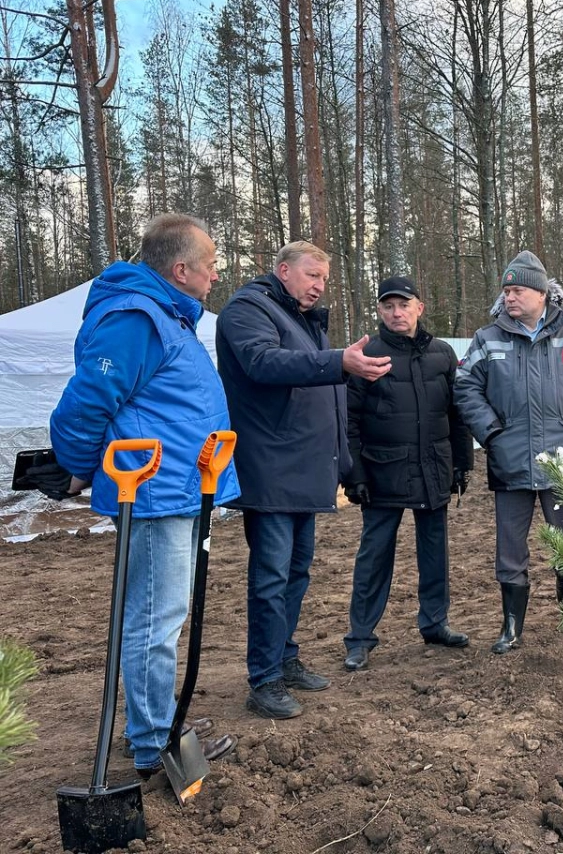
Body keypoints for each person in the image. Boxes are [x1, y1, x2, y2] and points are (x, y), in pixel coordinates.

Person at [50, 213, 240, 778]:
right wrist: (77, 468)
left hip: (181, 486)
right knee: (155, 620)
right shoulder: (135, 319)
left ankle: (160, 723)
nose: (214, 279)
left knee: (165, 615)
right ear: (180, 270)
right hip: (153, 491)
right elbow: (86, 402)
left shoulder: (166, 315)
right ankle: (153, 742)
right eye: (209, 268)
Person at [216, 240, 391, 719]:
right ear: (283, 270)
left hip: (303, 468)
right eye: (312, 275)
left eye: (324, 279)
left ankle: (284, 657)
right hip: (270, 468)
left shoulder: (300, 318)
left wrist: (340, 460)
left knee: (296, 572)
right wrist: (338, 361)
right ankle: (264, 678)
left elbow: (320, 395)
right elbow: (263, 364)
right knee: (271, 576)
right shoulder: (247, 310)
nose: (319, 286)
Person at [456, 251, 563, 654]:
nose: (510, 297)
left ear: (542, 293)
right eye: (506, 290)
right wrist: (491, 432)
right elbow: (465, 387)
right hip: (509, 460)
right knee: (510, 546)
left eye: (518, 290)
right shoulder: (488, 338)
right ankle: (511, 626)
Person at [340, 277, 475, 671]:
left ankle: (435, 623)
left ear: (420, 307)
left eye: (404, 305)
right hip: (382, 474)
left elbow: (457, 413)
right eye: (388, 307)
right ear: (380, 311)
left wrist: (462, 462)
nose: (397, 313)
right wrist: (355, 473)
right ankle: (360, 637)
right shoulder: (367, 355)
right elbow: (348, 419)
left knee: (435, 552)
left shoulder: (443, 354)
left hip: (433, 467)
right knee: (374, 556)